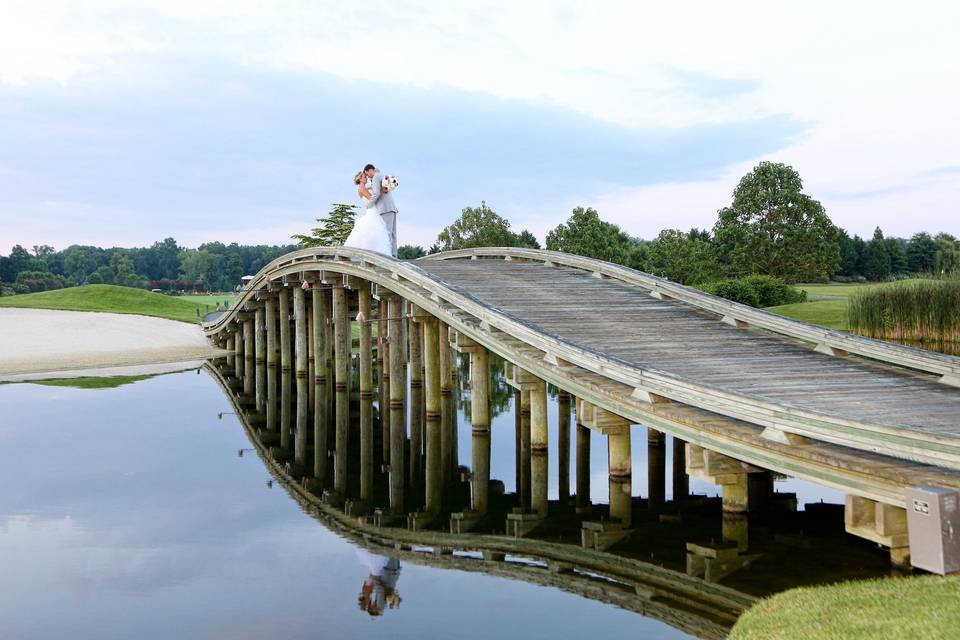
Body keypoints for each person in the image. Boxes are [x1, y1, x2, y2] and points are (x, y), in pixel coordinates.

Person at [344, 165, 394, 256]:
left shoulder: (363, 188)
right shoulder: (362, 188)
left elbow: (373, 191)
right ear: (360, 179)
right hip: (373, 211)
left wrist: (373, 187)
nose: (366, 177)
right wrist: (382, 191)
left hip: (375, 210)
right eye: (364, 177)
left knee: (378, 234)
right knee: (379, 233)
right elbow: (373, 197)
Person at [365, 163, 399, 257]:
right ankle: (394, 255)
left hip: (384, 208)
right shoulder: (380, 175)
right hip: (391, 207)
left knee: (386, 232)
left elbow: (376, 194)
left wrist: (369, 204)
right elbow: (380, 188)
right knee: (393, 234)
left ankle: (388, 256)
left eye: (367, 174)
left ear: (368, 170)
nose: (368, 177)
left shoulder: (375, 177)